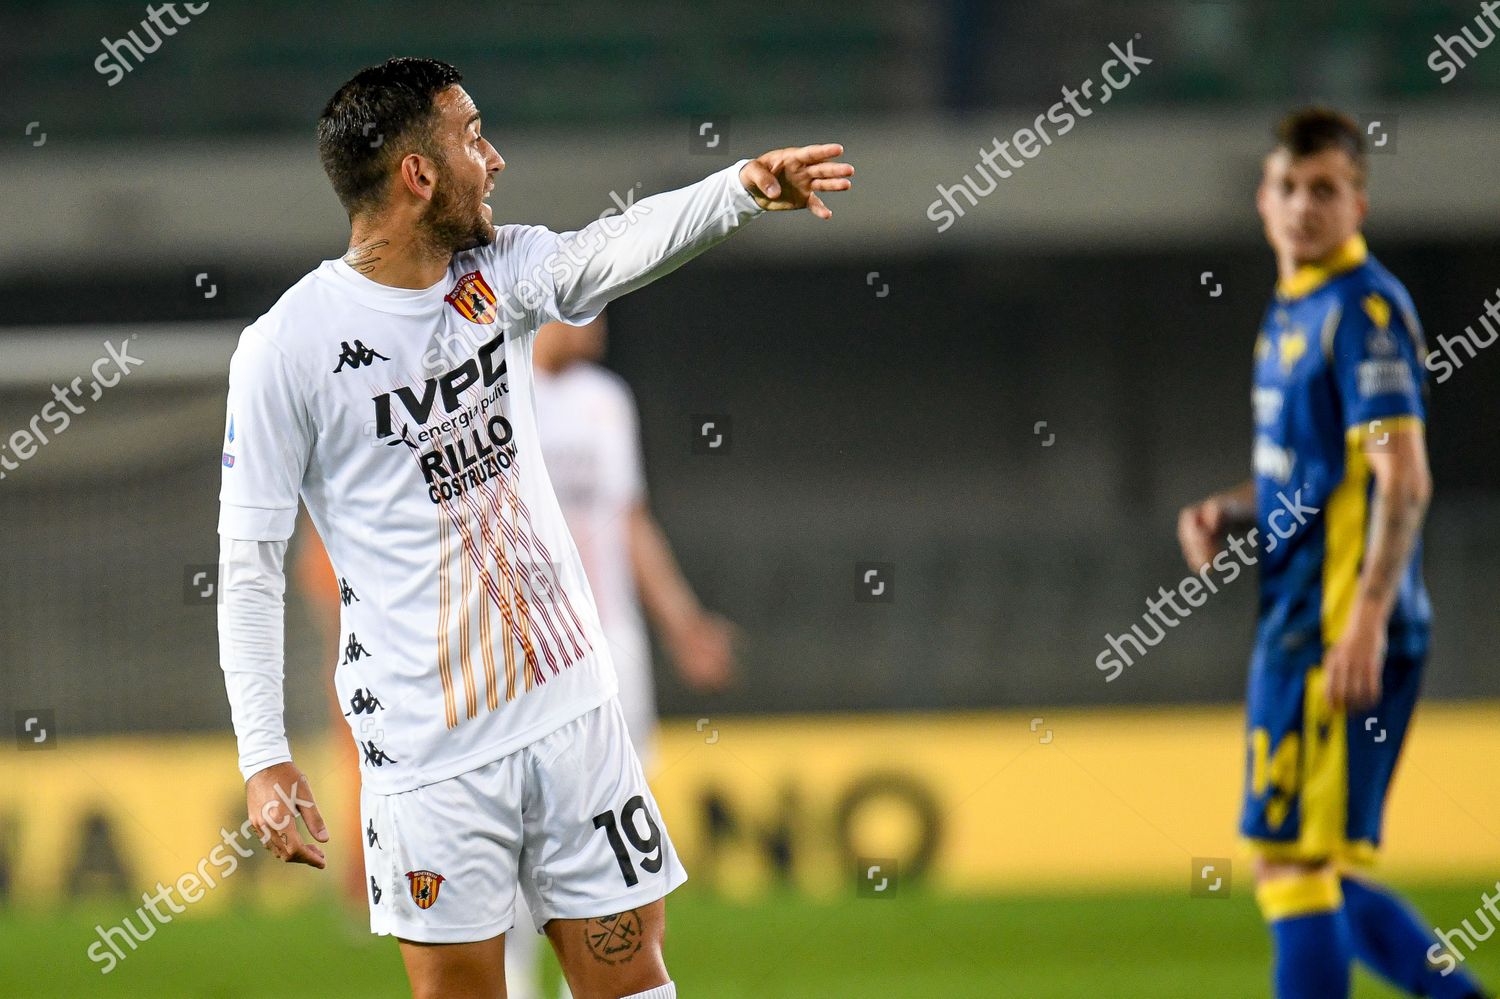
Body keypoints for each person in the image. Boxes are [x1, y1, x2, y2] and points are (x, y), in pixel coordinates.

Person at [216, 56, 851, 999]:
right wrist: (265, 755)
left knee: (631, 978)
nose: (497, 159)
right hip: (427, 755)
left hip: (570, 712)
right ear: (417, 175)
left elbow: (613, 245)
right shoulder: (285, 350)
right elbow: (251, 564)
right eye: (474, 136)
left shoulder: (498, 272)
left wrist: (739, 191)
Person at [1177, 107, 1486, 999]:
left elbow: (1406, 478)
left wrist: (1367, 620)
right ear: (1262, 201)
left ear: (1359, 203)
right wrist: (1230, 511)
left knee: (1294, 865)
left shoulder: (1366, 310)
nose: (1303, 206)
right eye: (1288, 187)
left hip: (1338, 631)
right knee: (1315, 869)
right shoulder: (1289, 312)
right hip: (1297, 622)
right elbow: (1310, 471)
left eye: (1325, 189)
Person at [503, 311, 738, 998]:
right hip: (531, 651)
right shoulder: (498, 392)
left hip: (613, 646)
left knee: (609, 825)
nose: (599, 318)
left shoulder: (608, 400)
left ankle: (605, 980)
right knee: (518, 825)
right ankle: (517, 980)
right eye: (584, 306)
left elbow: (628, 519)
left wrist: (683, 622)